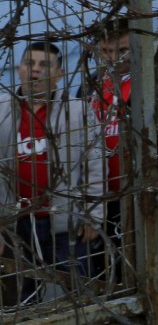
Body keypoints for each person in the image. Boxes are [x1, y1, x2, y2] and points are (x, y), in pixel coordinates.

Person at [87, 18, 158, 267]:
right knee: (107, 267)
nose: (115, 58)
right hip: (105, 197)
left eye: (123, 50)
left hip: (151, 193)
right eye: (106, 51)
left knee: (156, 262)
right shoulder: (91, 84)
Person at [0, 42, 103, 302]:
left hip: (65, 221)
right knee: (20, 299)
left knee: (81, 293)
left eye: (45, 65)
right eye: (29, 64)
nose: (35, 71)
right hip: (16, 222)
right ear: (19, 68)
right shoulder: (1, 110)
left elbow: (95, 163)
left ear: (59, 74)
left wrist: (93, 214)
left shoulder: (78, 111)